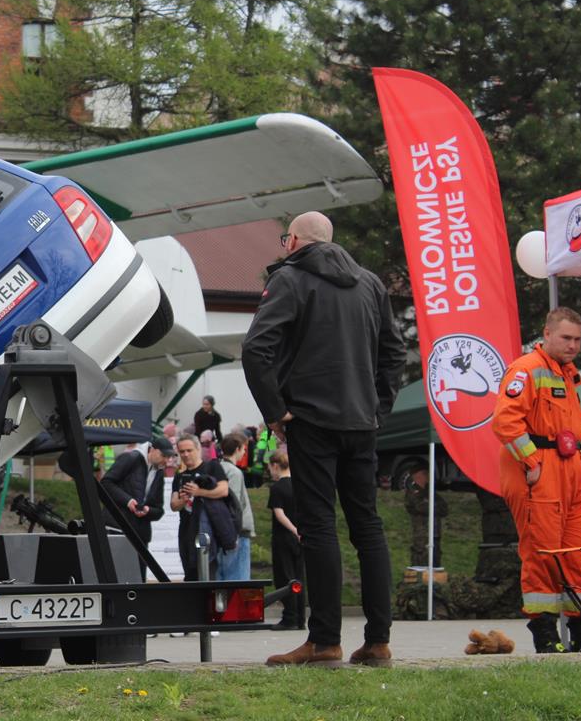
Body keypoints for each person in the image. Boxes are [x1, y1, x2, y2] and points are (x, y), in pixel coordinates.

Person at [241, 211, 405, 667]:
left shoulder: (290, 279)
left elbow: (256, 348)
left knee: (318, 526)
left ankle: (325, 641)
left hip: (312, 420)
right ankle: (378, 641)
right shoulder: (370, 283)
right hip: (362, 422)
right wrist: (378, 409)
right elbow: (394, 352)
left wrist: (276, 410)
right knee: (368, 527)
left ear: (293, 241)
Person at [492, 306, 581, 653]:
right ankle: (545, 636)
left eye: (578, 339)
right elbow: (505, 422)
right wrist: (531, 461)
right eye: (566, 338)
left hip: (569, 469)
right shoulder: (526, 369)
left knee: (579, 553)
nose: (573, 345)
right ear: (547, 334)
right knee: (543, 553)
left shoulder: (567, 374)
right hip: (540, 471)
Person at [100, 436, 170, 579]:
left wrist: (147, 510)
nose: (166, 460)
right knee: (116, 577)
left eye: (169, 457)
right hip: (117, 529)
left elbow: (159, 510)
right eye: (164, 455)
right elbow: (105, 483)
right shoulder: (131, 458)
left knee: (138, 579)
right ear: (152, 450)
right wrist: (128, 501)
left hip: (140, 535)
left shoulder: (159, 472)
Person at [169, 434, 231, 580]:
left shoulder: (212, 467)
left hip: (208, 527)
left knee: (208, 572)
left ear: (198, 449)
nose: (185, 454)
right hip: (186, 529)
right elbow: (173, 505)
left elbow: (224, 490)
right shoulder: (180, 476)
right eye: (182, 451)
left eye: (189, 450)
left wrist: (199, 492)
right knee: (190, 573)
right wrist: (184, 499)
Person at [268, 451, 305, 630]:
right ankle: (300, 618)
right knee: (299, 577)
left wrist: (293, 529)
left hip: (283, 537)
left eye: (270, 467)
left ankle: (290, 617)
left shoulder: (277, 488)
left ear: (275, 465)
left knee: (285, 578)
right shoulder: (300, 486)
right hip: (301, 538)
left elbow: (279, 513)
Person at [217, 434, 255, 580]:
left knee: (220, 577)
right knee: (238, 579)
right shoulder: (234, 472)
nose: (245, 452)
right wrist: (233, 533)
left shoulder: (218, 468)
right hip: (236, 532)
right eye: (244, 449)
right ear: (237, 449)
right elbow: (233, 504)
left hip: (221, 531)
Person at [405, 464, 447, 568]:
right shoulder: (413, 491)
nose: (428, 476)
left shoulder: (430, 491)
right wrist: (434, 505)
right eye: (425, 474)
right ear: (417, 475)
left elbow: (444, 508)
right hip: (422, 533)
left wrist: (432, 505)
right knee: (421, 559)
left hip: (435, 532)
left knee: (435, 559)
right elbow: (421, 507)